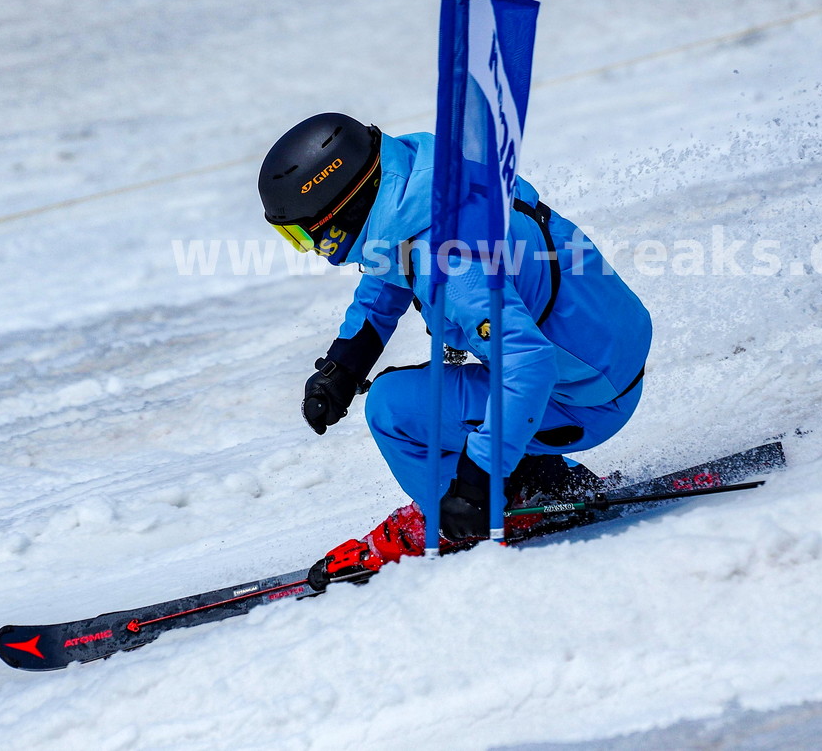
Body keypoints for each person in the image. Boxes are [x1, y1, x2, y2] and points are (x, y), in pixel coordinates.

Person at [258, 113, 651, 580]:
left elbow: (528, 367)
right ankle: (538, 478)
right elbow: (393, 272)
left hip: (583, 397)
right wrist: (345, 362)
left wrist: (476, 480)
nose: (310, 248)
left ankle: (466, 515)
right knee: (418, 389)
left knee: (392, 407)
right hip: (601, 359)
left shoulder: (451, 262)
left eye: (303, 235)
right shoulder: (425, 194)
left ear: (339, 216)